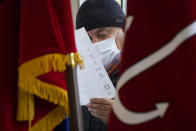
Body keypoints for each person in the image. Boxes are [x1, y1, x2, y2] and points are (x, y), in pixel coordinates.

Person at [76, 0, 125, 130]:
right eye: (87, 39)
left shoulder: (141, 76)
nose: (95, 43)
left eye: (102, 35)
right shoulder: (78, 83)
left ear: (124, 31)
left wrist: (123, 120)